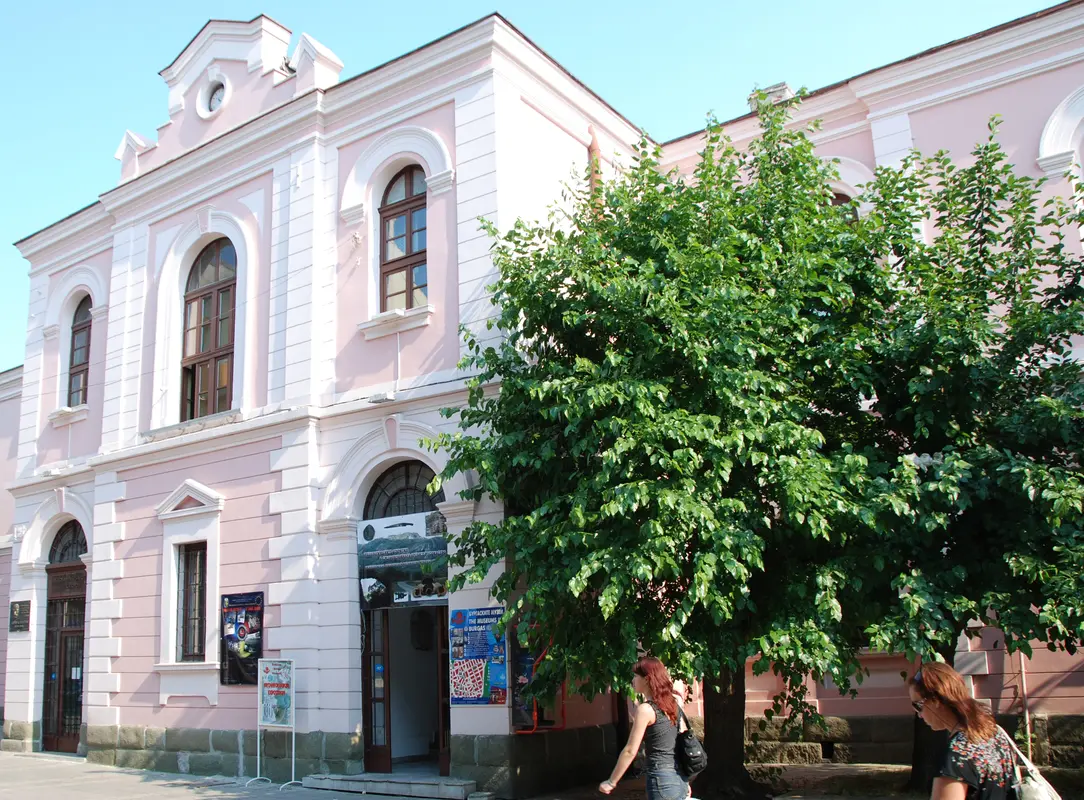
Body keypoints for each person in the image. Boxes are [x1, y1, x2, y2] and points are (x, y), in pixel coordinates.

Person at [909, 662, 1017, 800]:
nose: (919, 715)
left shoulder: (957, 755)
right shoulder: (994, 734)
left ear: (935, 701)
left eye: (918, 706)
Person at [600, 656, 689, 800]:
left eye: (636, 676)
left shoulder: (646, 710)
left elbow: (630, 750)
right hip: (679, 778)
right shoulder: (675, 703)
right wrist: (686, 780)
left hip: (661, 779)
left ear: (647, 679)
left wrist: (612, 782)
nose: (633, 680)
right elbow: (682, 742)